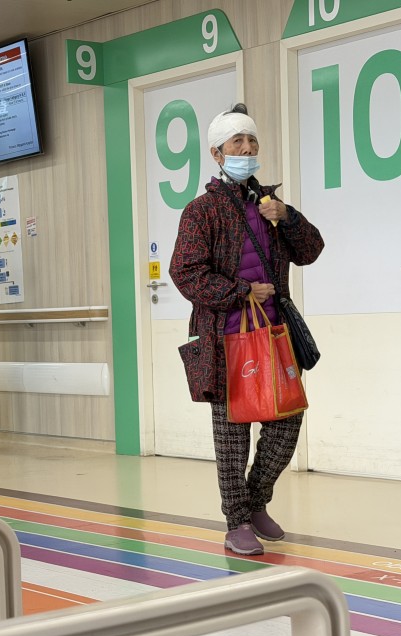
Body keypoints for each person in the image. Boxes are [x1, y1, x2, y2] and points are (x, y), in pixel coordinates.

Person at [169, 104, 324, 556]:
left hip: (274, 335)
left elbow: (311, 250)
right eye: (237, 142)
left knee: (286, 424)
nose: (248, 149)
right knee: (232, 437)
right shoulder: (201, 211)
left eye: (252, 141)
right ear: (218, 153)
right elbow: (186, 273)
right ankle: (235, 521)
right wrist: (241, 291)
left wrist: (288, 216)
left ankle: (255, 502)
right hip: (224, 339)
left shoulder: (269, 205)